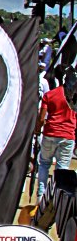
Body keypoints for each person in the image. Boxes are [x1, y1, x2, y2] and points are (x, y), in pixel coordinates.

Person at [36, 67, 77, 198]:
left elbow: (41, 118)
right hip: (68, 136)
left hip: (50, 133)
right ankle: (56, 199)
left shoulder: (50, 95)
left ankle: (41, 196)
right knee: (62, 169)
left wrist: (37, 129)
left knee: (44, 164)